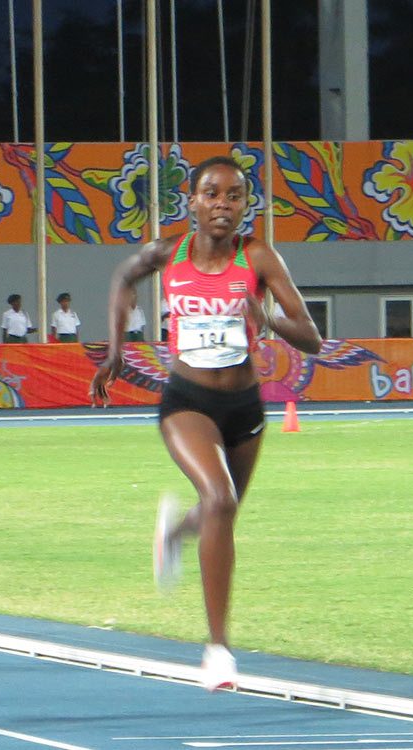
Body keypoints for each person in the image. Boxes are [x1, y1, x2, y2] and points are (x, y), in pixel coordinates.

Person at [90, 156, 322, 691]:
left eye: (234, 196)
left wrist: (268, 319)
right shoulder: (168, 253)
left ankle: (174, 531)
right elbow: (125, 278)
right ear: (191, 201)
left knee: (225, 509)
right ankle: (218, 650)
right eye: (212, 194)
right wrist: (117, 349)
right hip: (187, 401)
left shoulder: (258, 256)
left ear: (245, 204)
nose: (223, 205)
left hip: (246, 409)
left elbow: (311, 337)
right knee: (219, 500)